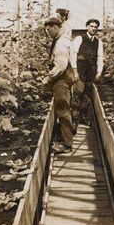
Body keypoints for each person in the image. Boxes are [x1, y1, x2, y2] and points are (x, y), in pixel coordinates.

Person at [42, 17, 75, 154]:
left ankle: (67, 144)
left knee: (63, 111)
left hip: (61, 80)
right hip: (66, 79)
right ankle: (65, 136)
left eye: (48, 30)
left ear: (55, 27)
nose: (47, 33)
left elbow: (61, 66)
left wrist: (48, 78)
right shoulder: (64, 40)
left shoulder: (61, 43)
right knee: (65, 108)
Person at [71, 19, 104, 125]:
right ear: (87, 27)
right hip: (80, 69)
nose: (93, 28)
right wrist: (75, 71)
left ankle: (83, 117)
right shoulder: (79, 39)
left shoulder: (98, 42)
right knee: (78, 92)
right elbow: (73, 55)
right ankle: (75, 119)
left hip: (91, 71)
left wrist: (99, 72)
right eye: (91, 26)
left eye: (95, 27)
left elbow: (100, 57)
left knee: (87, 94)